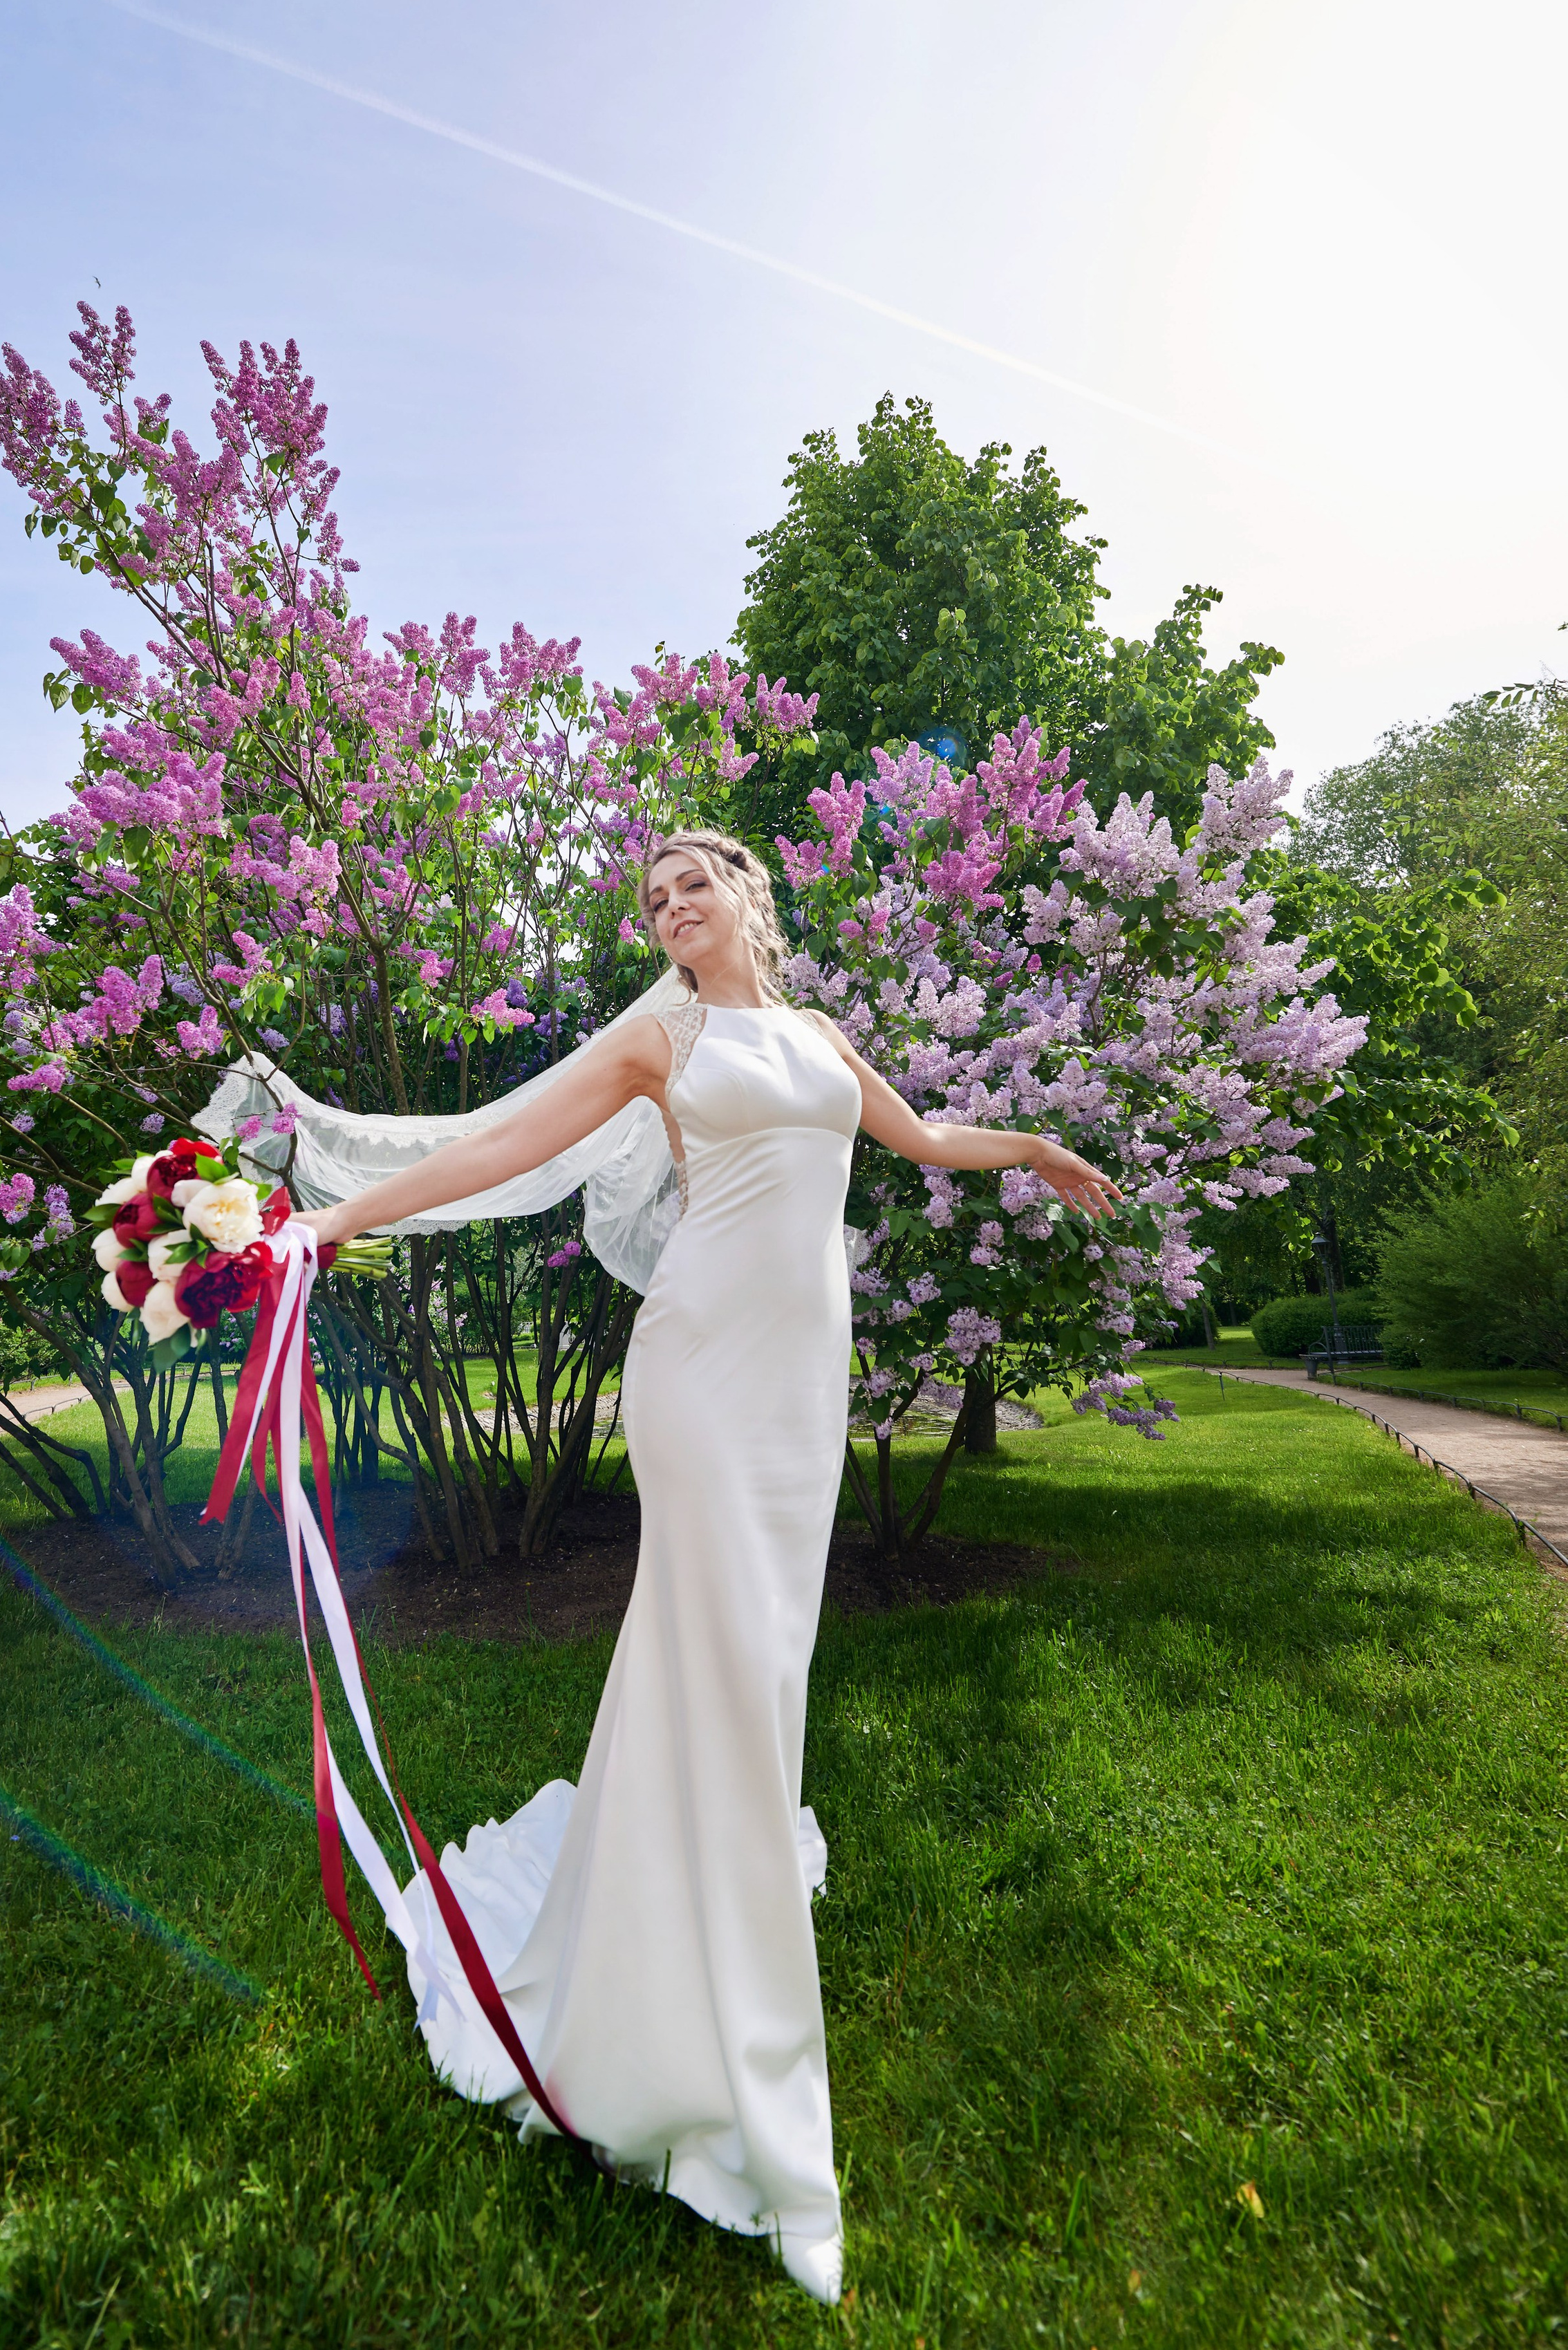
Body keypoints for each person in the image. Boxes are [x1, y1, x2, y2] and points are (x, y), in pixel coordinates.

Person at [304, 829, 1120, 2301]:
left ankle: (683, 1891)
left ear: (748, 896)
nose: (673, 907)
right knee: (721, 1652)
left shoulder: (810, 1032)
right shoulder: (654, 1031)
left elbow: (919, 1139)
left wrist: (1031, 1149)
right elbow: (503, 1141)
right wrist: (339, 1216)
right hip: (695, 1368)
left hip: (802, 1381)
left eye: (693, 883)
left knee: (760, 1661)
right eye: (653, 898)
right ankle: (734, 2058)